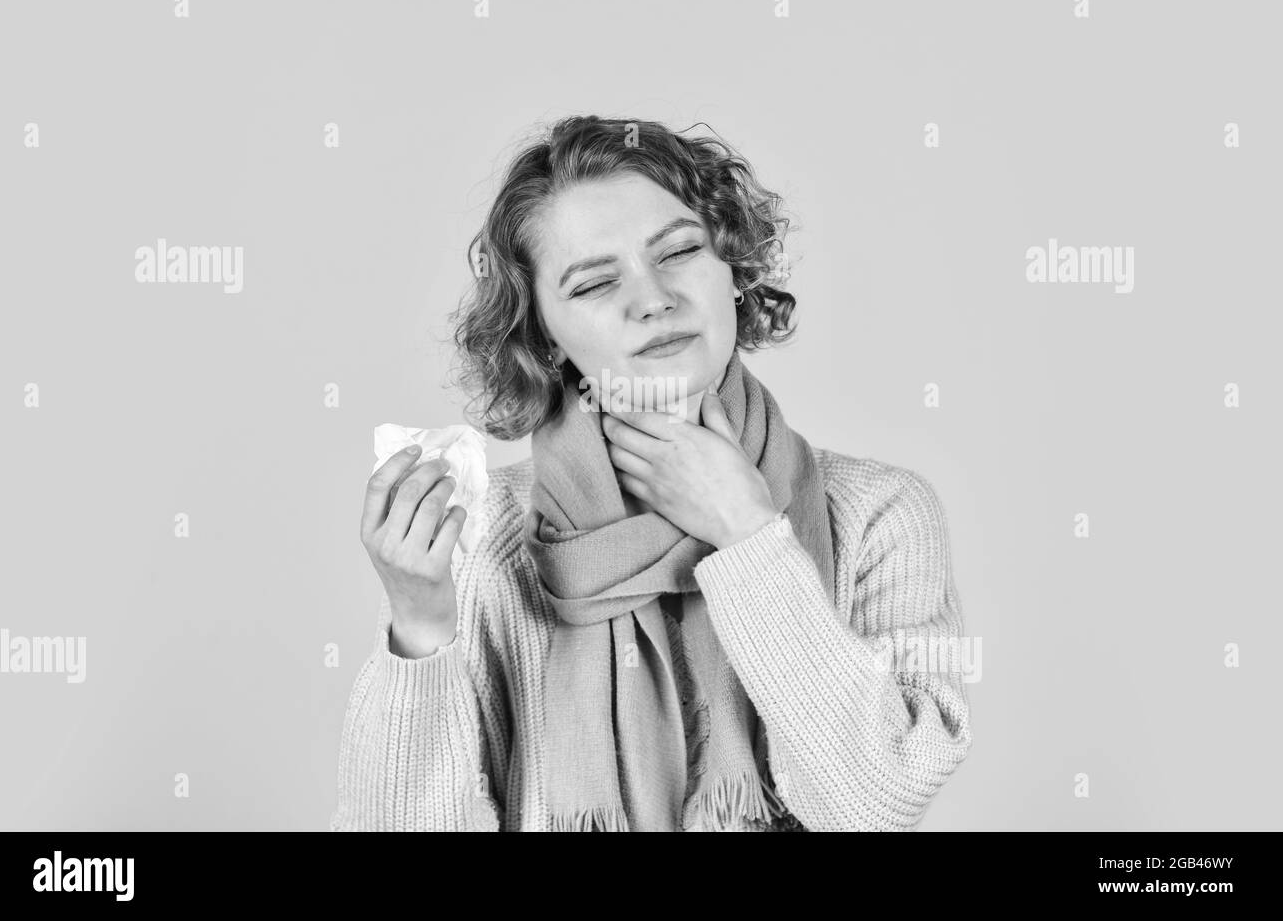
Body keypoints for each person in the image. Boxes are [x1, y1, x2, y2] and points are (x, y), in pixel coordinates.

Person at [331, 115, 973, 831]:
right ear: (544, 334)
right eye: (596, 282)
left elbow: (875, 802)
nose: (654, 298)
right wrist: (420, 628)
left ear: (735, 268)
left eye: (681, 251)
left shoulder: (882, 513)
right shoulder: (488, 536)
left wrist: (750, 533)